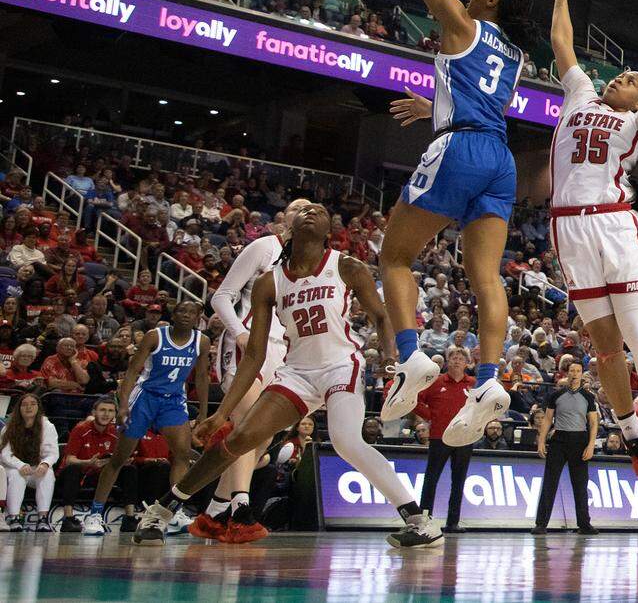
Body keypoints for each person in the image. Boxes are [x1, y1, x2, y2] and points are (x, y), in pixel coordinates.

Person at [131, 203, 442, 549]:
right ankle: (160, 512)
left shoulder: (346, 266)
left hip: (342, 364)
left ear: (328, 232)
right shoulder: (270, 282)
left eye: (320, 211)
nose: (311, 211)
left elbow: (381, 318)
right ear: (290, 225)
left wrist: (388, 359)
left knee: (346, 441)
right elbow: (253, 355)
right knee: (237, 440)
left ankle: (419, 520)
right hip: (297, 372)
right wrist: (222, 412)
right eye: (305, 209)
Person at [381, 0, 534, 448]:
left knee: (393, 256)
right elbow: (475, 93)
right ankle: (491, 379)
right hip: (499, 156)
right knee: (486, 276)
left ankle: (410, 355)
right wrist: (434, 105)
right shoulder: (515, 52)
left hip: (461, 148)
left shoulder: (464, 23)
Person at [539, 0, 638, 492]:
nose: (619, 78)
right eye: (621, 75)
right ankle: (631, 436)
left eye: (631, 81)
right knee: (604, 347)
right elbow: (563, 46)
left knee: (637, 332)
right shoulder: (579, 94)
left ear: (637, 101)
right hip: (568, 228)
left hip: (613, 223)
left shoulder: (635, 124)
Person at [190, 197, 309, 543]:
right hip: (247, 344)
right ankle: (241, 509)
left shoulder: (307, 266)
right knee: (245, 425)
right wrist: (240, 333)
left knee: (265, 436)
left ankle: (214, 511)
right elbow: (222, 296)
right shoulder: (263, 247)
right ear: (286, 218)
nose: (305, 216)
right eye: (298, 210)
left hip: (282, 352)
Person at [83, 302, 210, 537]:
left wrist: (203, 413)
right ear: (173, 315)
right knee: (120, 458)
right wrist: (122, 405)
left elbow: (201, 377)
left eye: (191, 313)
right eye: (181, 311)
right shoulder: (155, 337)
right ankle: (95, 514)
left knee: (182, 455)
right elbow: (132, 371)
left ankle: (173, 511)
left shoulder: (201, 341)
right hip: (145, 398)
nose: (186, 316)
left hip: (173, 400)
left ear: (198, 318)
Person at [414, 348, 476, 532]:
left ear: (467, 363)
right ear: (448, 362)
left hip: (464, 437)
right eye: (453, 358)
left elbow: (485, 406)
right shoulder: (435, 381)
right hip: (439, 437)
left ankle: (453, 522)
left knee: (459, 481)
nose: (457, 361)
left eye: (460, 358)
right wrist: (430, 415)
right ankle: (424, 520)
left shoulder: (473, 383)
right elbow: (414, 400)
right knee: (431, 479)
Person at [533, 361, 598, 535]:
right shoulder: (557, 395)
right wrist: (541, 441)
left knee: (580, 485)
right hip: (559, 440)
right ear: (567, 373)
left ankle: (584, 524)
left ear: (582, 374)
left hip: (580, 440)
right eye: (572, 371)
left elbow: (593, 422)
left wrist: (591, 445)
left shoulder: (588, 396)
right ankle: (541, 524)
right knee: (550, 482)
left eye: (578, 371)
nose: (575, 374)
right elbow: (547, 419)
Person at [56, 396, 139, 533]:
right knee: (73, 469)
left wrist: (123, 461)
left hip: (102, 476)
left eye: (110, 411)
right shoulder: (81, 429)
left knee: (129, 469)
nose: (106, 414)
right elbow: (69, 459)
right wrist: (88, 463)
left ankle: (129, 518)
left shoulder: (117, 432)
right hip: (81, 473)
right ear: (94, 412)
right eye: (102, 410)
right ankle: (68, 518)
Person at [0, 392, 58, 530]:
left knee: (48, 473)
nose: (28, 407)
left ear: (38, 407)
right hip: (13, 468)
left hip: (35, 468)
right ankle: (14, 517)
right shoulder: (9, 427)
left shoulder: (47, 426)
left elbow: (53, 453)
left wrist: (45, 464)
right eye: (24, 404)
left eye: (32, 404)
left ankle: (43, 518)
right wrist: (20, 465)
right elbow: (5, 454)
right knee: (17, 475)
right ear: (19, 408)